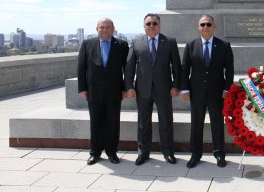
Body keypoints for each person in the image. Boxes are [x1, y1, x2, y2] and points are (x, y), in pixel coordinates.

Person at [125, 13, 181, 165]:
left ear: (159, 25)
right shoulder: (136, 42)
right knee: (143, 122)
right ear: (144, 26)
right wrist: (129, 86)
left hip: (164, 89)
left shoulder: (169, 42)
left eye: (154, 23)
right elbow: (129, 66)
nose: (151, 26)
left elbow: (176, 66)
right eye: (148, 23)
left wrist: (176, 85)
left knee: (166, 121)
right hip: (142, 89)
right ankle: (143, 152)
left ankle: (168, 152)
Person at [180, 15, 234, 168]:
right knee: (196, 124)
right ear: (198, 27)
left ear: (214, 27)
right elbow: (185, 69)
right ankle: (195, 155)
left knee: (217, 124)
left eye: (208, 24)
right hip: (196, 92)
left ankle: (219, 154)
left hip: (217, 92)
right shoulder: (191, 46)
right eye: (202, 24)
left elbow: (229, 69)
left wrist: (227, 88)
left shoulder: (223, 45)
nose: (205, 27)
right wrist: (185, 89)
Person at [77, 18, 129, 165]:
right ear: (97, 29)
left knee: (113, 123)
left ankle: (112, 152)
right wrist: (82, 88)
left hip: (114, 91)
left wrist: (126, 88)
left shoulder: (122, 45)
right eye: (102, 27)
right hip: (94, 91)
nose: (105, 30)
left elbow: (127, 68)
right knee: (96, 122)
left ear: (113, 28)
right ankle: (95, 152)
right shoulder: (88, 44)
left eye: (108, 27)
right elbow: (81, 68)